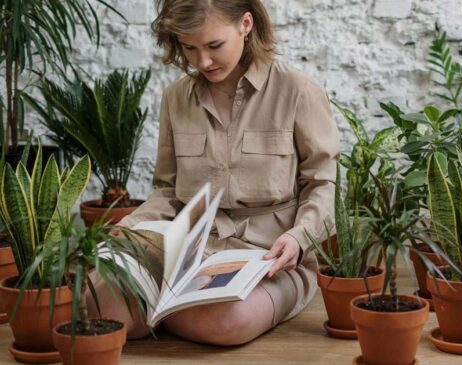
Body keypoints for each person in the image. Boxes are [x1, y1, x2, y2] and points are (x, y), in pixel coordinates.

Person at [89, 0, 339, 346]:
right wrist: (128, 227)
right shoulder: (176, 97)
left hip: (269, 260)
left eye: (214, 46)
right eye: (189, 48)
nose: (201, 61)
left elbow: (322, 183)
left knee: (227, 322)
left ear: (246, 25)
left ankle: (154, 309)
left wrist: (300, 237)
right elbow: (167, 190)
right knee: (96, 302)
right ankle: (166, 307)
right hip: (189, 252)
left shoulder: (298, 91)